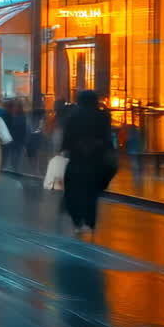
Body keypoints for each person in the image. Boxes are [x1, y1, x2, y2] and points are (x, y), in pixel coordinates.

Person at [60, 89, 117, 233]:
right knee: (91, 193)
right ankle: (90, 222)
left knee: (74, 190)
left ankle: (77, 221)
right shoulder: (102, 116)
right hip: (96, 159)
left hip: (77, 158)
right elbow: (107, 137)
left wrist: (65, 149)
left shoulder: (73, 116)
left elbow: (67, 136)